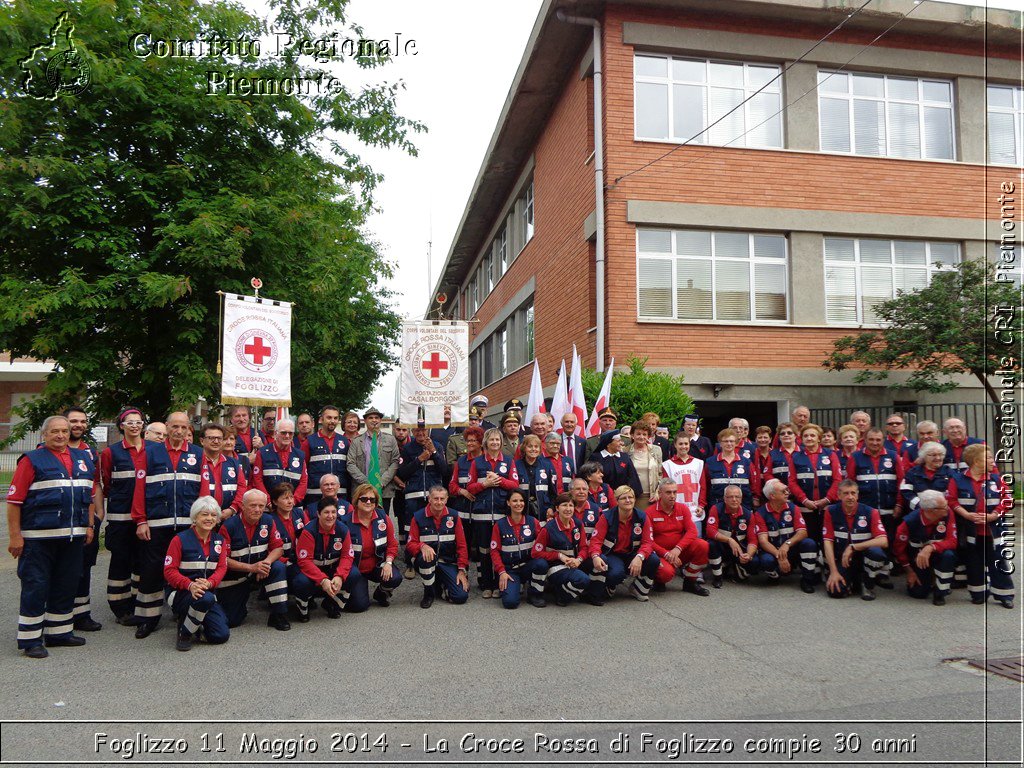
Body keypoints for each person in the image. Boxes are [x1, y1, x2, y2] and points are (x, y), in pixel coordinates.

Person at [6, 415, 96, 658]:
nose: (60, 435)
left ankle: (59, 632)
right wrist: (15, 537)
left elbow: (88, 496)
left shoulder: (82, 459)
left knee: (66, 584)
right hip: (38, 538)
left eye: (64, 431)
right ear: (44, 435)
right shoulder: (32, 460)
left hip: (73, 537)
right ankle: (30, 639)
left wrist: (89, 526)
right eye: (55, 431)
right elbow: (14, 502)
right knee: (36, 585)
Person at [134, 411, 204, 638]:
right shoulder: (149, 452)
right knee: (152, 571)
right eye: (175, 427)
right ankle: (147, 618)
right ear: (167, 427)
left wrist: (201, 523)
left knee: (187, 570)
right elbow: (140, 489)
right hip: (156, 524)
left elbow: (203, 491)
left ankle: (185, 613)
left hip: (187, 527)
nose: (180, 431)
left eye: (184, 428)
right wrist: (141, 520)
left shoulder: (198, 454)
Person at [947, 444, 1014, 608]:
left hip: (993, 531)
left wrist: (993, 515)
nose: (993, 461)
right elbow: (952, 501)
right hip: (970, 531)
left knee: (998, 562)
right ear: (976, 461)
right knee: (974, 563)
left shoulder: (997, 479)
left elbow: (1007, 501)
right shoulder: (957, 479)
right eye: (989, 457)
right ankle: (978, 593)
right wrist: (966, 514)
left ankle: (1004, 594)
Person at [98, 407, 147, 625]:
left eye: (138, 422)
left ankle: (137, 602)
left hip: (144, 517)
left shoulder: (152, 449)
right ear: (121, 426)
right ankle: (120, 607)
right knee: (120, 560)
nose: (135, 426)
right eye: (130, 422)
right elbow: (107, 483)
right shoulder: (111, 452)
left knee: (141, 560)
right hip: (121, 517)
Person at [162, 497, 230, 651]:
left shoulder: (220, 541)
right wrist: (190, 585)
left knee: (221, 635)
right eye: (204, 514)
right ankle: (184, 633)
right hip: (181, 592)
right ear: (195, 517)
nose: (209, 519)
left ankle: (189, 622)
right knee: (204, 597)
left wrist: (210, 582)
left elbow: (221, 568)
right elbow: (169, 570)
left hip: (206, 592)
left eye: (213, 515)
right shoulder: (179, 540)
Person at [218, 489, 290, 631]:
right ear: (242, 506)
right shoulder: (228, 526)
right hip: (236, 576)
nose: (257, 510)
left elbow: (278, 548)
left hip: (260, 570)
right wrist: (251, 568)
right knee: (232, 620)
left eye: (261, 506)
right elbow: (223, 560)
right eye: (253, 505)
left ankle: (278, 614)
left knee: (278, 568)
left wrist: (266, 563)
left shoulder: (268, 521)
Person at [63, 407, 104, 633]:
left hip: (86, 519)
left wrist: (99, 513)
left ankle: (81, 614)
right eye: (73, 421)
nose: (78, 425)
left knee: (84, 567)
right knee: (63, 568)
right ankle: (60, 613)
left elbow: (95, 483)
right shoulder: (49, 449)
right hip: (61, 522)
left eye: (82, 421)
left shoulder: (89, 452)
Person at [584, 486, 661, 603]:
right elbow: (596, 540)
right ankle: (610, 586)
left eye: (631, 497)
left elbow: (648, 542)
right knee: (616, 574)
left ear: (635, 499)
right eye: (623, 498)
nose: (628, 500)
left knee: (654, 560)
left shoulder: (642, 517)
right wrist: (595, 556)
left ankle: (637, 588)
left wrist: (640, 557)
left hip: (633, 554)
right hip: (613, 555)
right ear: (616, 501)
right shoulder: (606, 517)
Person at [846, 428, 903, 584]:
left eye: (878, 440)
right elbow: (850, 483)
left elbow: (901, 482)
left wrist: (899, 503)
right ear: (865, 439)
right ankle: (866, 573)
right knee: (867, 541)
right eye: (871, 439)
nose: (875, 443)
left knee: (888, 541)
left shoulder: (893, 456)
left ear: (883, 440)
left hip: (889, 508)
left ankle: (883, 574)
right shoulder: (856, 457)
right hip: (865, 509)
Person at [467, 428, 519, 597]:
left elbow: (515, 485)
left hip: (501, 514)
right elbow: (470, 487)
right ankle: (486, 585)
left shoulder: (509, 461)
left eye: (498, 440)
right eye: (492, 440)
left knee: (500, 550)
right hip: (481, 515)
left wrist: (499, 481)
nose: (495, 443)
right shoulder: (477, 462)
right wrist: (484, 485)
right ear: (486, 443)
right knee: (484, 551)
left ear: (501, 442)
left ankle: (499, 584)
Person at [822, 480, 890, 601]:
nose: (850, 497)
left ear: (858, 495)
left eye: (853, 493)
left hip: (863, 559)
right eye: (846, 493)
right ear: (839, 495)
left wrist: (854, 547)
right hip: (843, 560)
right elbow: (828, 541)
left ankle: (867, 584)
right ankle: (853, 581)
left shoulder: (871, 512)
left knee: (876, 553)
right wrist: (833, 571)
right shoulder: (831, 511)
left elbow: (883, 541)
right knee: (836, 592)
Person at [749, 479, 819, 593]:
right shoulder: (760, 513)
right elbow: (763, 541)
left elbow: (803, 532)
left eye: (787, 490)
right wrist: (780, 556)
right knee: (766, 561)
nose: (787, 493)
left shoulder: (793, 508)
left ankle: (807, 580)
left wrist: (787, 544)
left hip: (791, 549)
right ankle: (774, 576)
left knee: (809, 543)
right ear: (772, 496)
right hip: (773, 551)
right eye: (783, 491)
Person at [292, 498, 357, 620]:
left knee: (353, 574)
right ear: (318, 514)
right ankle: (302, 607)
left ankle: (331, 603)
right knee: (301, 582)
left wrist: (339, 575)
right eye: (326, 512)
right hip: (310, 569)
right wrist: (322, 580)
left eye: (333, 512)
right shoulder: (309, 531)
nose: (330, 516)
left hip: (332, 568)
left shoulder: (343, 529)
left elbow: (347, 555)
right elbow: (304, 561)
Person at [407, 486, 470, 608]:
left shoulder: (454, 516)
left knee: (461, 597)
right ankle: (428, 593)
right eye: (436, 498)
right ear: (429, 499)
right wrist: (422, 546)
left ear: (447, 499)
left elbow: (462, 545)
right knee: (426, 558)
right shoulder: (418, 517)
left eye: (442, 499)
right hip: (427, 560)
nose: (439, 502)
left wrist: (462, 570)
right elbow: (410, 543)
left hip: (447, 562)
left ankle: (439, 585)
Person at [342, 483, 402, 609]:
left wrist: (389, 563)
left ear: (376, 502)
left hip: (377, 565)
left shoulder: (383, 518)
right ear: (356, 500)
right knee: (359, 606)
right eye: (364, 499)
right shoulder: (345, 522)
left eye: (372, 499)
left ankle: (381, 593)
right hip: (355, 569)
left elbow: (392, 544)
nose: (368, 502)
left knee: (395, 578)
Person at [893, 490, 957, 606]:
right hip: (918, 559)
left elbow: (952, 541)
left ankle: (940, 592)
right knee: (918, 593)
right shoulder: (908, 523)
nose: (947, 508)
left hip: (938, 554)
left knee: (949, 555)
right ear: (930, 510)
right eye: (943, 507)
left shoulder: (948, 514)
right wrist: (909, 571)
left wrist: (930, 548)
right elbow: (899, 550)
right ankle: (928, 581)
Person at [397, 425, 449, 566]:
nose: (421, 433)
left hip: (433, 496)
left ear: (428, 431)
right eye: (417, 430)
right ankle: (410, 563)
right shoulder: (408, 448)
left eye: (423, 430)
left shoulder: (437, 446)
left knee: (432, 527)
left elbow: (444, 470)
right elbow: (402, 473)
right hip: (413, 495)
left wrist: (434, 452)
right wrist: (419, 459)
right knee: (409, 528)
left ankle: (433, 559)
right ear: (412, 432)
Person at [647, 479, 709, 595]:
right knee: (665, 573)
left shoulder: (682, 508)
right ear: (660, 493)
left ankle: (690, 581)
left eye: (675, 492)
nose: (672, 496)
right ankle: (659, 581)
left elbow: (692, 531)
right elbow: (648, 541)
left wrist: (678, 549)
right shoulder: (649, 512)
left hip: (679, 552)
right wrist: (666, 554)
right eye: (668, 492)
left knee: (703, 545)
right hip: (661, 554)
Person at [490, 489, 547, 608]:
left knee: (541, 564)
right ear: (508, 503)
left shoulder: (533, 522)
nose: (518, 503)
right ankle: (514, 586)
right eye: (514, 500)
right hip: (510, 570)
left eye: (521, 500)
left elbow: (542, 544)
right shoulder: (500, 525)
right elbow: (494, 551)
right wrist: (502, 572)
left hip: (528, 566)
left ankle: (534, 594)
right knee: (510, 603)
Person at [788, 423, 840, 548]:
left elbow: (838, 479)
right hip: (805, 507)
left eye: (812, 435)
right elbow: (792, 482)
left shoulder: (830, 454)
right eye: (806, 436)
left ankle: (827, 563)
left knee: (827, 537)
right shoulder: (795, 457)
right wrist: (804, 500)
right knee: (809, 538)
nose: (809, 438)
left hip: (827, 506)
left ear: (819, 438)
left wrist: (827, 499)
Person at [533, 493, 591, 605]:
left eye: (571, 505)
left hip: (574, 563)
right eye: (564, 505)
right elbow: (535, 553)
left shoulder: (578, 524)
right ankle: (561, 594)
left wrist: (578, 560)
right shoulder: (548, 528)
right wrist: (558, 555)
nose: (568, 509)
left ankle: (592, 594)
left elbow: (584, 547)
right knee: (582, 580)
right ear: (557, 508)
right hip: (556, 566)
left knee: (599, 561)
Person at [447, 425, 483, 580]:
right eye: (468, 441)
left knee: (483, 546)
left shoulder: (486, 460)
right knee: (464, 544)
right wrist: (462, 491)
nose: (469, 444)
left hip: (481, 510)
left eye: (473, 441)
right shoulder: (461, 461)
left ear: (481, 443)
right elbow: (451, 486)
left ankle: (484, 577)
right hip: (462, 509)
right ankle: (463, 572)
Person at [347, 406, 400, 507]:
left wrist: (381, 481)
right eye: (370, 418)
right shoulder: (356, 441)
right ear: (365, 421)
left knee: (381, 521)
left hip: (384, 490)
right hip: (361, 490)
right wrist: (367, 482)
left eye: (377, 417)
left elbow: (395, 462)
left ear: (380, 420)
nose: (374, 420)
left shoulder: (391, 440)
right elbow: (350, 464)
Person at [705, 485, 756, 588]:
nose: (734, 500)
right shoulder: (716, 509)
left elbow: (753, 540)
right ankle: (718, 577)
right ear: (724, 498)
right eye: (730, 497)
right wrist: (729, 540)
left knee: (755, 563)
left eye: (737, 497)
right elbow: (710, 531)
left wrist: (749, 555)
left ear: (741, 499)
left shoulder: (748, 515)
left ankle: (732, 566)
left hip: (738, 549)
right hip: (722, 546)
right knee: (711, 544)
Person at [267, 482, 308, 602]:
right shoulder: (270, 519)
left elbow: (310, 536)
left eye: (291, 497)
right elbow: (267, 548)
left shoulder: (299, 513)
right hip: (281, 563)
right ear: (275, 502)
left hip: (300, 560)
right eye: (285, 498)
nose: (290, 501)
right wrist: (286, 562)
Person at [704, 428, 760, 512]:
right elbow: (706, 485)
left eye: (731, 441)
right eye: (726, 441)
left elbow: (753, 483)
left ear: (736, 443)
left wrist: (756, 497)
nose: (729, 444)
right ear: (720, 444)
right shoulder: (710, 462)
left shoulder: (746, 462)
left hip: (743, 506)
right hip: (717, 506)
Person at [251, 419, 308, 503]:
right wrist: (268, 501)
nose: (287, 436)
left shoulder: (299, 455)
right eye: (283, 433)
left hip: (292, 506)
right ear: (275, 433)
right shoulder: (263, 453)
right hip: (269, 506)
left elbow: (304, 481)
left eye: (290, 433)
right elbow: (257, 479)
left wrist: (293, 501)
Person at [198, 422, 247, 520]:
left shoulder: (233, 463)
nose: (216, 441)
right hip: (201, 518)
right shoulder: (196, 462)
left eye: (220, 438)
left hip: (228, 517)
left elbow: (242, 487)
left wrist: (232, 509)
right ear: (202, 441)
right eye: (211, 438)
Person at [303, 405, 349, 507]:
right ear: (321, 419)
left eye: (335, 418)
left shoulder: (344, 441)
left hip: (340, 495)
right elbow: (303, 468)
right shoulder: (309, 441)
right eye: (329, 417)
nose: (332, 421)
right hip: (315, 495)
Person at [662, 435, 706, 533]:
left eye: (686, 444)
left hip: (695, 509)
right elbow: (665, 489)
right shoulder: (667, 465)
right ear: (675, 445)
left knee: (696, 538)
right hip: (675, 510)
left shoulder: (698, 463)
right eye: (680, 444)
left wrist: (701, 505)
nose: (683, 446)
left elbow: (702, 486)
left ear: (689, 445)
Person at [899, 442, 953, 514]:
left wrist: (940, 508)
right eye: (933, 455)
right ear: (924, 456)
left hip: (942, 512)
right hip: (918, 513)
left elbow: (952, 494)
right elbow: (906, 492)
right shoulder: (912, 473)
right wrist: (921, 506)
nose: (938, 458)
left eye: (941, 454)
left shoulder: (949, 473)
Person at [515, 434, 557, 521]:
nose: (533, 449)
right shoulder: (516, 465)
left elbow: (553, 492)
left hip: (543, 510)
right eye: (530, 446)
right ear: (524, 448)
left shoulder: (547, 465)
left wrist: (551, 508)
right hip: (521, 510)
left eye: (536, 446)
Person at [593, 430, 642, 497]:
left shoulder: (624, 457)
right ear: (608, 444)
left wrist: (635, 495)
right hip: (603, 496)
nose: (622, 443)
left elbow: (633, 477)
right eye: (618, 441)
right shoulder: (596, 458)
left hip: (623, 496)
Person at [628, 420, 662, 508]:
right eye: (638, 434)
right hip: (631, 496)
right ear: (632, 435)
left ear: (648, 436)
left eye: (644, 434)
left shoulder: (656, 450)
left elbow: (660, 473)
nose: (641, 437)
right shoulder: (625, 451)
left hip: (652, 496)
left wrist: (658, 493)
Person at [767, 422, 799, 491]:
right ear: (779, 437)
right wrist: (780, 486)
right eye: (782, 433)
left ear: (795, 435)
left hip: (802, 493)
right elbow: (767, 474)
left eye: (789, 433)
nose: (786, 435)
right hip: (779, 493)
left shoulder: (803, 452)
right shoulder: (772, 454)